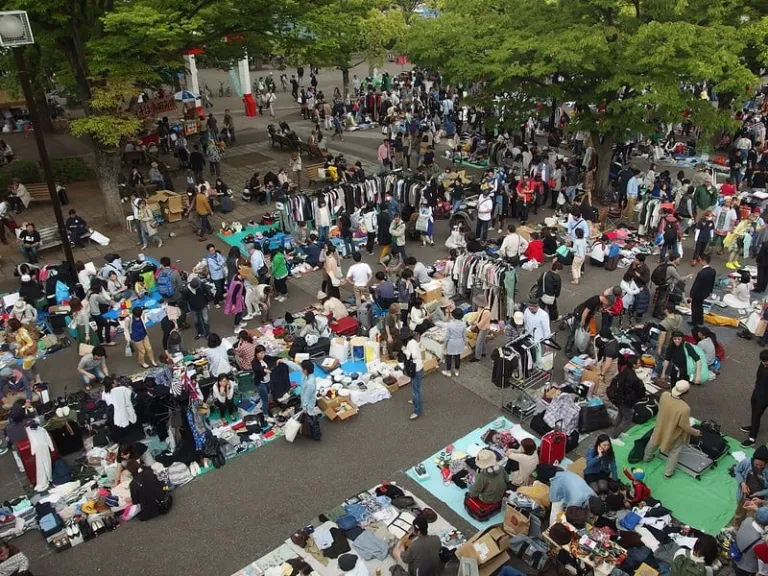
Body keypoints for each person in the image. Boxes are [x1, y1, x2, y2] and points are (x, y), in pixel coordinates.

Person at [643, 380, 702, 477]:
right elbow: (684, 426)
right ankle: (668, 473)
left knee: (654, 440)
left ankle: (647, 457)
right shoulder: (685, 408)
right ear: (686, 392)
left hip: (660, 425)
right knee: (675, 451)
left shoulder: (665, 395)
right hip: (673, 432)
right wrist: (696, 432)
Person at [280, 358, 320, 439]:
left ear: (305, 370)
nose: (300, 369)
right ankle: (307, 430)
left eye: (302, 368)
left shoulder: (310, 383)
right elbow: (295, 367)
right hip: (305, 401)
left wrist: (304, 407)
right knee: (307, 418)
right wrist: (284, 361)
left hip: (309, 404)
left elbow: (307, 397)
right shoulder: (306, 374)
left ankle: (315, 434)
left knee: (311, 418)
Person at [607, 355, 646, 435]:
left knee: (621, 414)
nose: (640, 364)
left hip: (618, 397)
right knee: (628, 419)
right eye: (638, 363)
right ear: (633, 365)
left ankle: (616, 429)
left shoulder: (625, 370)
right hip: (626, 401)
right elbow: (639, 392)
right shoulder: (634, 378)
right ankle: (614, 435)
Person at [733, 445, 768, 525]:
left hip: (759, 500)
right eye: (757, 464)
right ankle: (736, 528)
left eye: (762, 465)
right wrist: (742, 483)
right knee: (739, 513)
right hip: (744, 495)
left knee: (753, 518)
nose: (759, 467)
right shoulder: (746, 462)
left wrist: (759, 494)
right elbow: (737, 471)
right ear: (753, 460)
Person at [742, 350, 768, 447]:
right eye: (763, 361)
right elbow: (759, 376)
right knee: (754, 413)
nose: (765, 363)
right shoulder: (762, 365)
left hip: (765, 397)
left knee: (757, 415)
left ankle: (752, 438)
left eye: (766, 361)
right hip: (757, 392)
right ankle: (753, 427)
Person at [733, 507, 768, 576]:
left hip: (735, 558)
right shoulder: (760, 543)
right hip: (747, 569)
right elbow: (766, 559)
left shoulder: (747, 520)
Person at [404, 324, 428, 420]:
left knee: (416, 390)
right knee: (415, 387)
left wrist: (405, 351)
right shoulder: (414, 342)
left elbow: (413, 355)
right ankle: (414, 401)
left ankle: (417, 410)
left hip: (415, 369)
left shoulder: (411, 343)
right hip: (418, 368)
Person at [689, 253, 716, 326]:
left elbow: (696, 285)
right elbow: (712, 283)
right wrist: (710, 292)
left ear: (703, 261)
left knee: (694, 307)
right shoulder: (713, 271)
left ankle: (694, 321)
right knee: (700, 306)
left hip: (698, 293)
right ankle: (700, 320)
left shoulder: (701, 273)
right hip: (705, 293)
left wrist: (691, 294)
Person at [595, 327, 619, 403]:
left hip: (610, 368)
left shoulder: (610, 348)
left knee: (604, 388)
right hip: (612, 363)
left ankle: (604, 403)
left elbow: (608, 364)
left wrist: (602, 374)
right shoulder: (615, 340)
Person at [442, 309, 467, 378]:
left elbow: (447, 337)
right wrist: (465, 343)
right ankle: (456, 370)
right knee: (457, 356)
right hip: (459, 342)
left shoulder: (450, 324)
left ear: (453, 316)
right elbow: (464, 335)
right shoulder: (464, 324)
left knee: (449, 357)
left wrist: (444, 346)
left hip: (451, 342)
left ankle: (448, 371)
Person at [470, 295, 491, 362]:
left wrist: (474, 325)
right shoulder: (480, 308)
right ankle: (483, 352)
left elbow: (482, 323)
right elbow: (477, 315)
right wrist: (472, 321)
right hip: (481, 327)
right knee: (482, 341)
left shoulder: (487, 312)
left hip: (484, 329)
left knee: (479, 342)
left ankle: (477, 357)